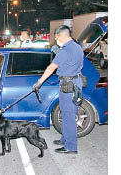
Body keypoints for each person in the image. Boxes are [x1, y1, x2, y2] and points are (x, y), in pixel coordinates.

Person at [32, 25, 83, 154]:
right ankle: (65, 139)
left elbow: (51, 67)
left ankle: (71, 146)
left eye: (56, 37)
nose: (56, 40)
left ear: (62, 35)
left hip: (69, 85)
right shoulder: (76, 47)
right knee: (66, 113)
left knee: (69, 115)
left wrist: (39, 82)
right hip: (73, 83)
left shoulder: (66, 50)